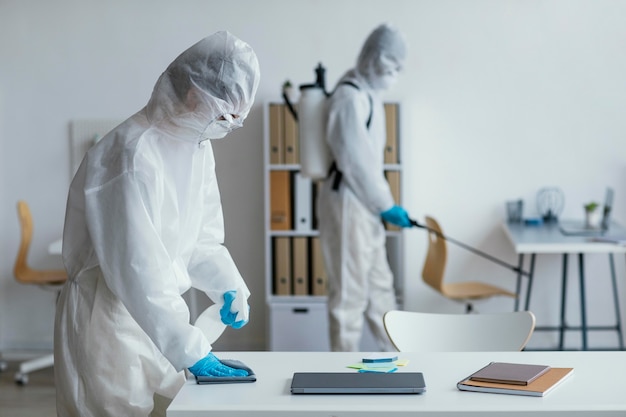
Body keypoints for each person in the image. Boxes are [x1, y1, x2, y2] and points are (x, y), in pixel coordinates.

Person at [54, 31, 260, 417]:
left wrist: (228, 284)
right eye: (225, 114)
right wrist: (190, 348)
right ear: (195, 94)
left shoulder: (197, 145)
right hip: (108, 324)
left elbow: (201, 239)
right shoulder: (130, 153)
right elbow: (137, 270)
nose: (228, 125)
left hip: (160, 318)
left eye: (236, 119)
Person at [317, 24, 413, 352]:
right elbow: (356, 161)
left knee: (381, 289)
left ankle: (399, 363)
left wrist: (382, 205)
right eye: (390, 68)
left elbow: (368, 162)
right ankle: (343, 373)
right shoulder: (349, 96)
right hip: (348, 202)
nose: (393, 75)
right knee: (348, 296)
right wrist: (386, 204)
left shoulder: (369, 94)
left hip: (365, 206)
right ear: (373, 60)